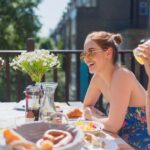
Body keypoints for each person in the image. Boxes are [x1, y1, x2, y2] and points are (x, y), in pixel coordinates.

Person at [82, 31, 150, 149]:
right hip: (119, 140)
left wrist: (92, 117)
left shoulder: (122, 75)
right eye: (84, 53)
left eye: (91, 52)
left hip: (140, 144)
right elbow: (87, 106)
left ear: (108, 53)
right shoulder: (98, 77)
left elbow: (113, 125)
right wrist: (95, 116)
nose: (86, 58)